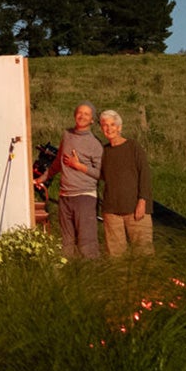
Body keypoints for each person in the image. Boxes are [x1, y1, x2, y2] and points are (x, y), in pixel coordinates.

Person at [44, 103, 104, 259]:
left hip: (84, 197)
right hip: (65, 196)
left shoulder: (95, 144)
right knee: (67, 243)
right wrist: (41, 178)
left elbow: (101, 173)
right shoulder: (67, 134)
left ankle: (91, 277)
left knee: (87, 244)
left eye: (86, 114)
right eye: (79, 112)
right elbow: (58, 162)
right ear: (74, 114)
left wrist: (79, 166)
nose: (82, 116)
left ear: (92, 120)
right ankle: (69, 278)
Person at [97, 109, 153, 257]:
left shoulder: (133, 146)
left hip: (136, 210)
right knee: (116, 257)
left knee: (144, 254)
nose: (109, 128)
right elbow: (98, 175)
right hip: (111, 211)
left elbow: (145, 174)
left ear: (119, 127)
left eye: (112, 124)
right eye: (105, 125)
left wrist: (142, 202)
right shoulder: (103, 151)